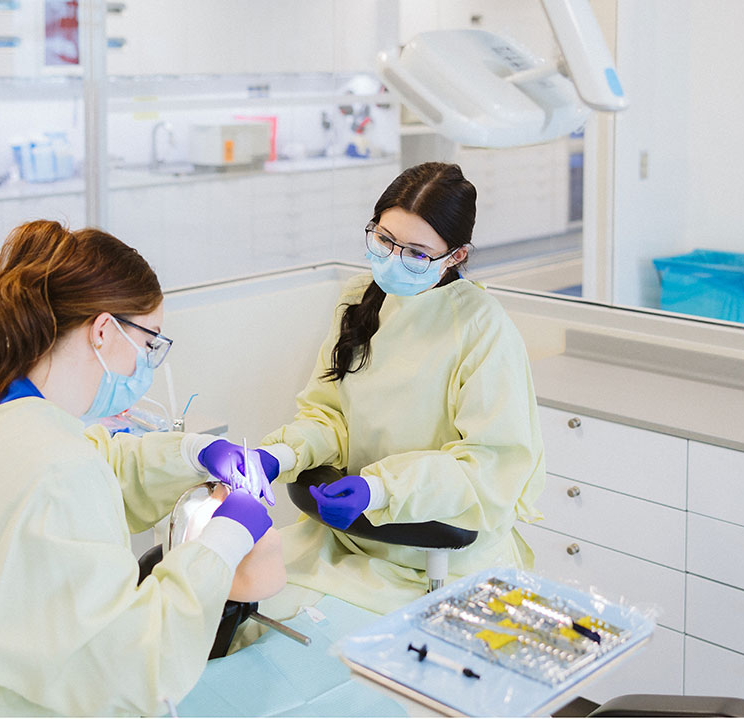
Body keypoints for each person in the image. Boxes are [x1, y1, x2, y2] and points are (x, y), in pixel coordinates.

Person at [0, 220, 275, 716]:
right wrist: (222, 543)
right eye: (151, 342)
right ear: (102, 330)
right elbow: (129, 670)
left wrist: (193, 454)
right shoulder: (56, 469)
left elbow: (97, 463)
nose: (149, 362)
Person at [207, 161, 547, 616]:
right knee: (233, 606)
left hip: (436, 562)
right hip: (348, 540)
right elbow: (330, 417)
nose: (392, 259)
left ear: (456, 256)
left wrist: (380, 491)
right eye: (384, 240)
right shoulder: (359, 298)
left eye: (416, 252)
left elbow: (489, 468)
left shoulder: (483, 329)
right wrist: (280, 457)